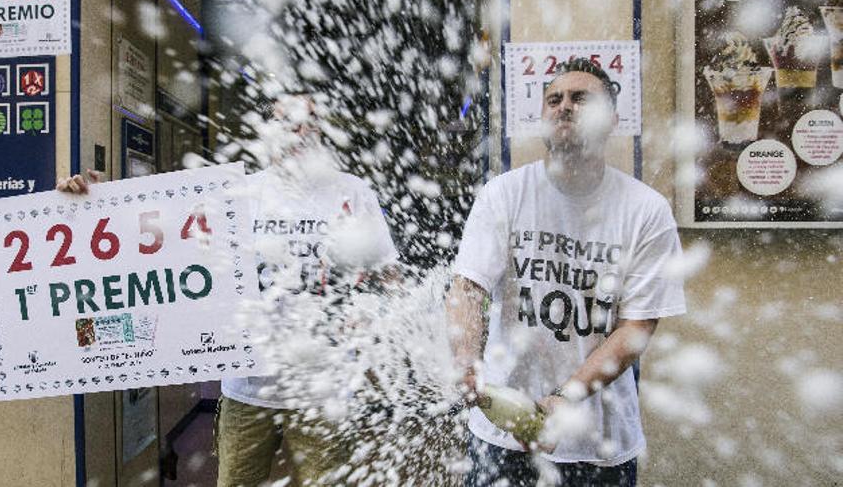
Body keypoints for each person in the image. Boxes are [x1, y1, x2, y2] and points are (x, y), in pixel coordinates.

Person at [59, 94, 399, 486]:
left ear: (322, 131)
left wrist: (374, 317)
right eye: (287, 122)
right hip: (247, 387)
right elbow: (157, 241)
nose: (298, 132)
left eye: (308, 123)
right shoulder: (237, 193)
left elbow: (388, 276)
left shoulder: (352, 193)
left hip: (324, 388)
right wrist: (95, 205)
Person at [446, 58, 686, 487]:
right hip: (503, 429)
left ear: (611, 120)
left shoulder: (646, 210)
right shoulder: (504, 193)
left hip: (599, 442)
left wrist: (566, 395)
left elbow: (638, 326)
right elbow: (469, 286)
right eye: (554, 99)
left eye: (580, 98)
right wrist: (467, 360)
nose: (564, 106)